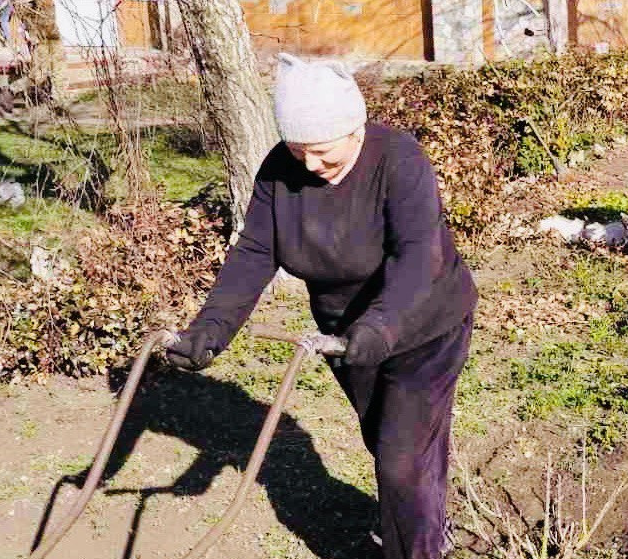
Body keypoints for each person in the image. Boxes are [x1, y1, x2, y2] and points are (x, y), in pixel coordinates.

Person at [165, 53, 478, 559]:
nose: (310, 165)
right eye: (298, 150)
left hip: (424, 323)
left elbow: (418, 253)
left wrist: (381, 324)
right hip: (345, 333)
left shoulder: (398, 159)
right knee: (392, 445)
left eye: (322, 151)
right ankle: (426, 523)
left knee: (401, 459)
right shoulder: (278, 169)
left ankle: (418, 549)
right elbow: (255, 252)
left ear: (355, 128)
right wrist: (212, 328)